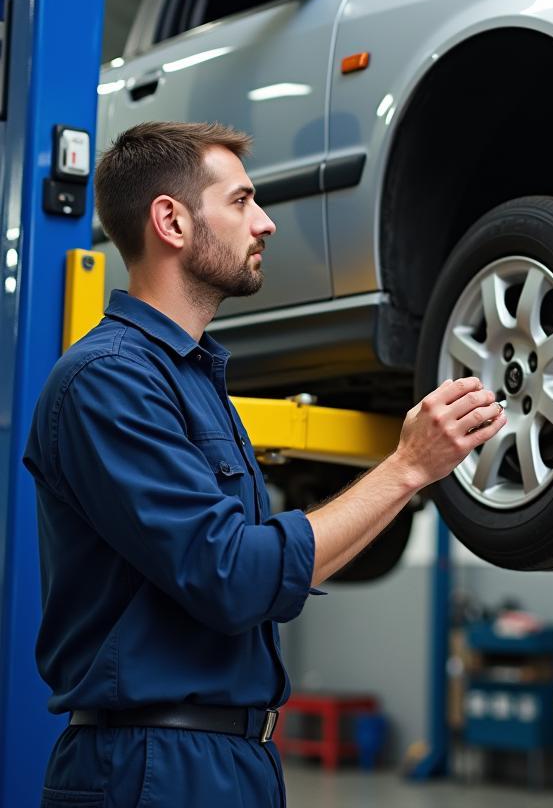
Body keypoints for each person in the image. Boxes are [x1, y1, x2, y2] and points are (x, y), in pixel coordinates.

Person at [23, 120, 506, 808]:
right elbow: (231, 576)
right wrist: (405, 468)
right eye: (243, 201)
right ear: (172, 221)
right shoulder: (107, 383)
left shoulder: (194, 381)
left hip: (229, 760)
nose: (267, 223)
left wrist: (412, 473)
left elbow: (263, 566)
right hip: (151, 767)